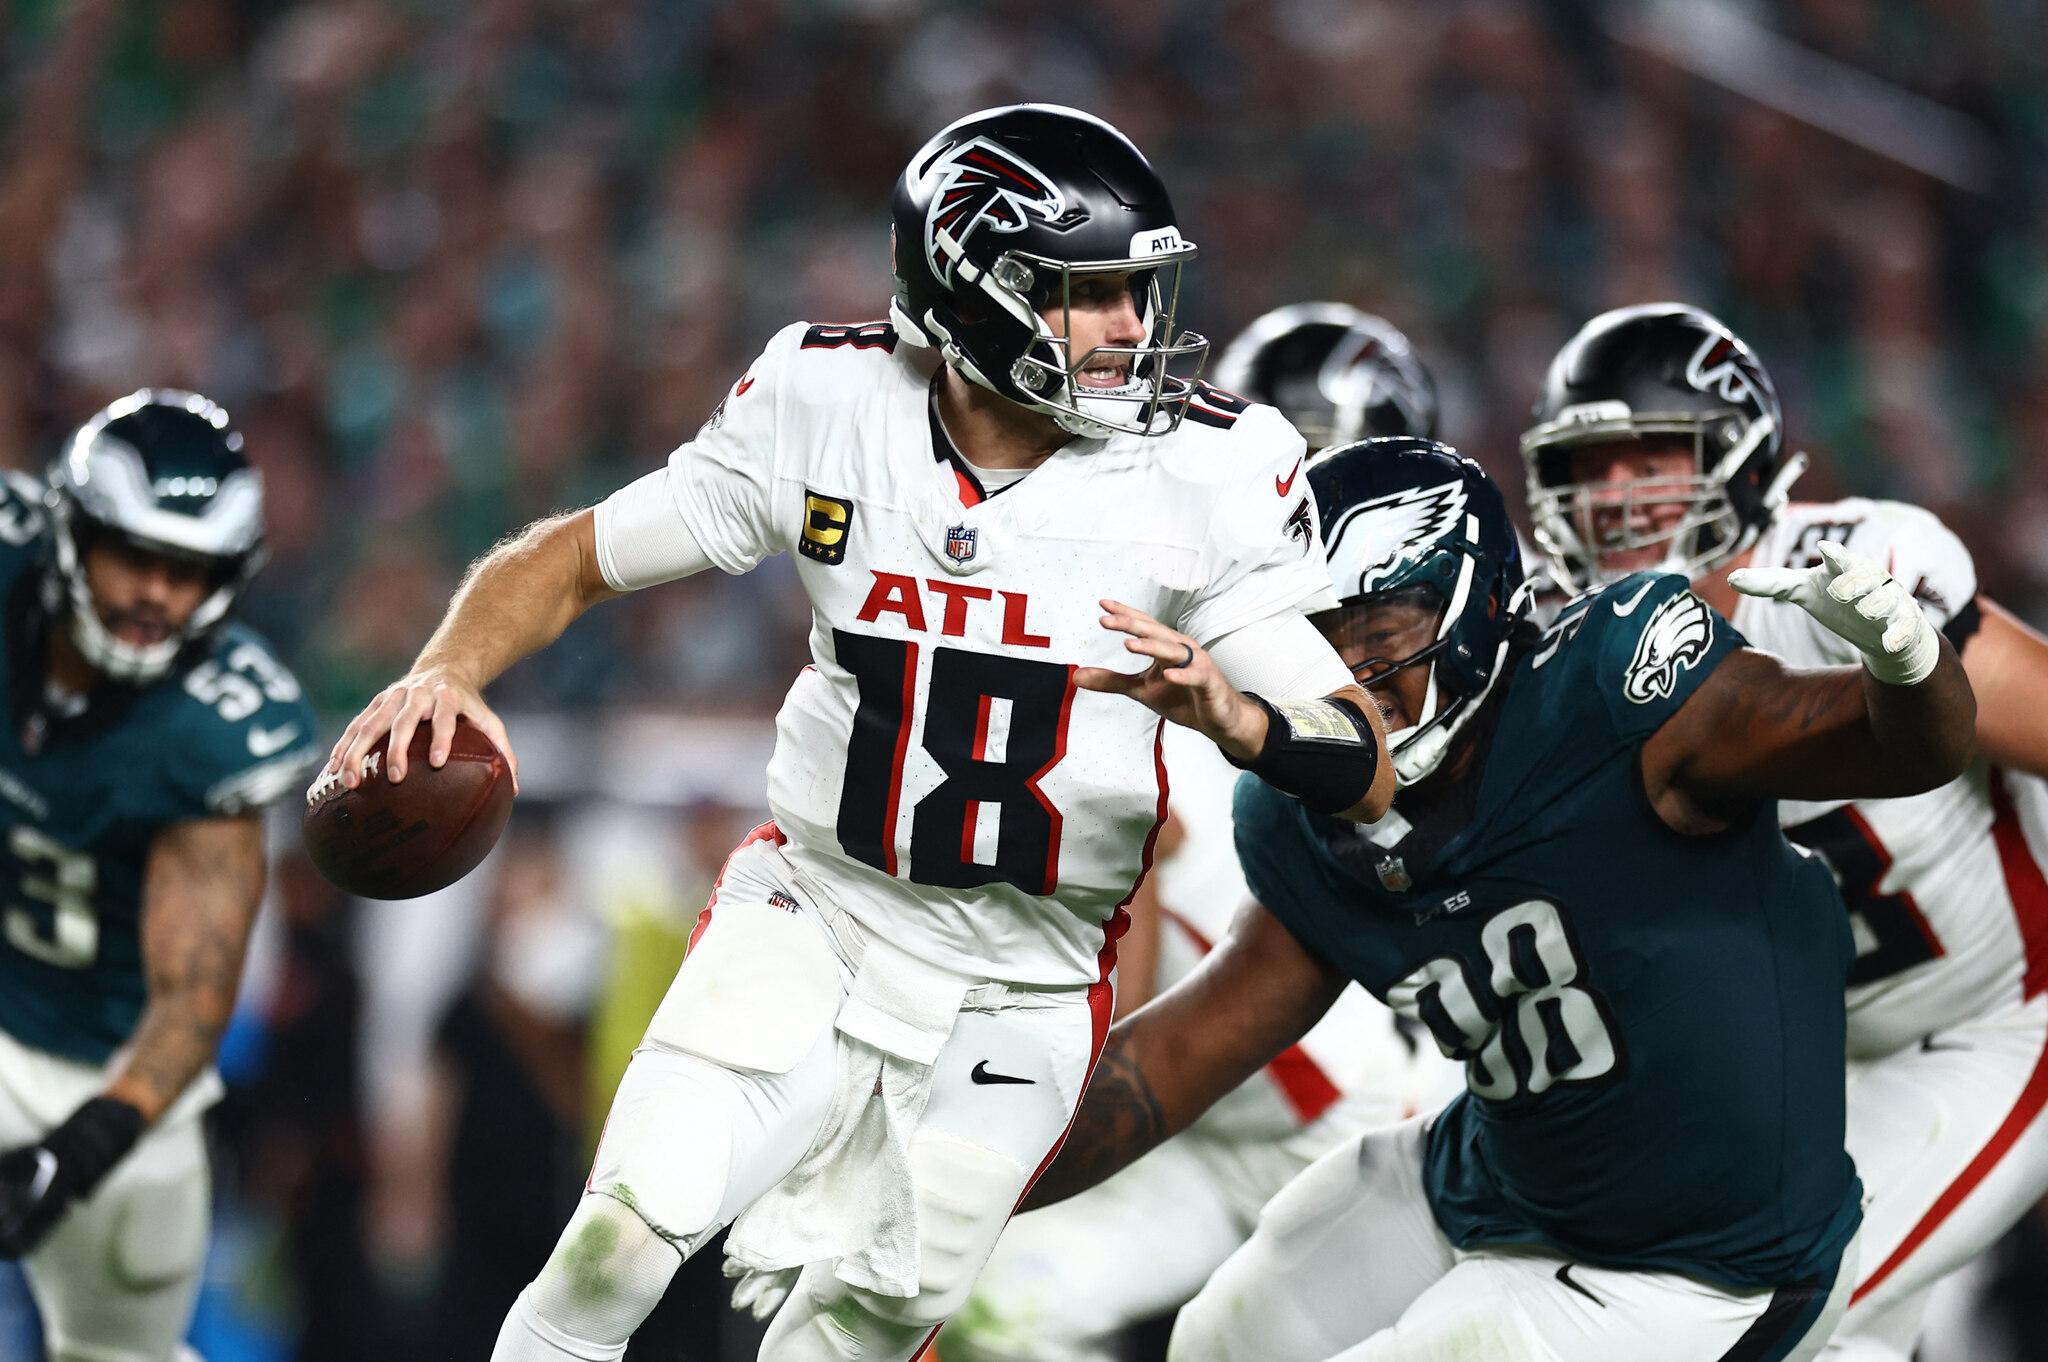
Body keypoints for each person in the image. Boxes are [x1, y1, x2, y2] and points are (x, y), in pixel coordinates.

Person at [322, 103, 1396, 1362]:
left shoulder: (1210, 468)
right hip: (817, 916)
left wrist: (1234, 713)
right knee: (614, 1247)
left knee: (849, 1342)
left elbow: (1359, 751)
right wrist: (445, 668)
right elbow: (575, 556)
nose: (1132, 330)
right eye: (1088, 294)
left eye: (1138, 293)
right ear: (969, 288)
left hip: (1026, 983)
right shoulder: (826, 403)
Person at [1024, 437, 1977, 1361]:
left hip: (1701, 1271)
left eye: (1378, 636)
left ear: (1476, 605)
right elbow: (1164, 1067)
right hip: (1501, 1177)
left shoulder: (1613, 690)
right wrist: (966, 1178)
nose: (1344, 684)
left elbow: (1902, 746)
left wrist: (1910, 669)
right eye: (1309, 648)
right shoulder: (1299, 816)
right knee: (1219, 1343)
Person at [1521, 301, 2048, 1362]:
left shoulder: (1841, 581)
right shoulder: (1562, 660)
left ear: (1741, 459)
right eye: (1592, 465)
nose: (1617, 498)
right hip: (1803, 1068)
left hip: (1997, 1020)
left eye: (1652, 457)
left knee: (1774, 1307)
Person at [937, 305, 1455, 1362]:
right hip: (1183, 1115)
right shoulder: (1149, 628)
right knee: (968, 1312)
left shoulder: (1431, 684)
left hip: (1355, 1124)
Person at [0, 390, 318, 1361]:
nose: (156, 596)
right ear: (72, 534)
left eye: (188, 572)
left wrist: (88, 1142)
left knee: (119, 1350)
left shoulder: (216, 726)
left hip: (119, 1068)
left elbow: (194, 995)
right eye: (134, 557)